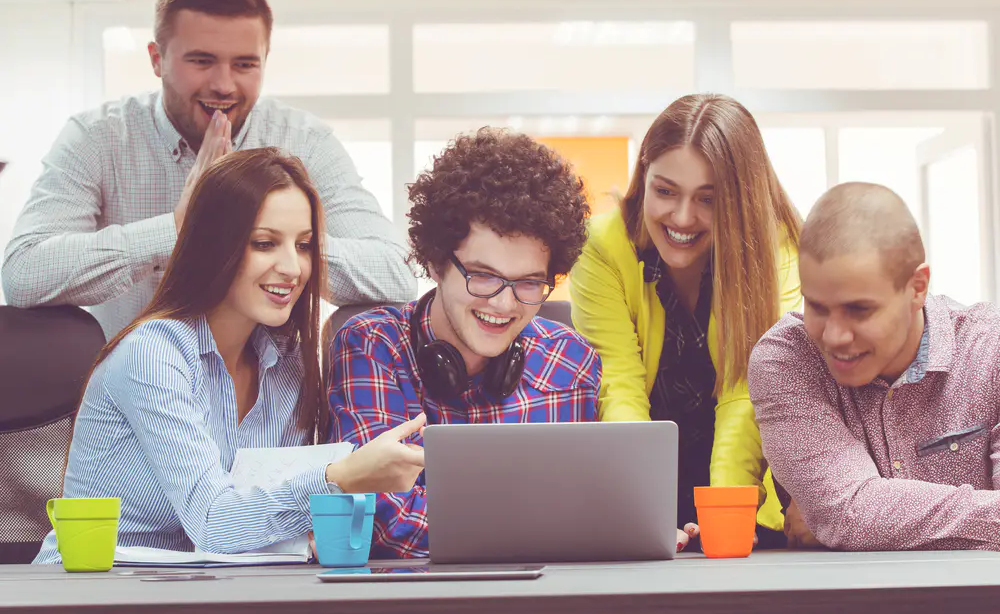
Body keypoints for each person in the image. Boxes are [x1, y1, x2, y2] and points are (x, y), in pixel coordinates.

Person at [34, 148, 424, 563]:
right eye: (264, 243)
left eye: (305, 245)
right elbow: (214, 522)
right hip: (95, 588)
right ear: (214, 247)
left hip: (209, 584)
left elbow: (262, 511)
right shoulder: (152, 355)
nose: (293, 267)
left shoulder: (285, 359)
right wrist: (341, 477)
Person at [2, 0, 414, 339]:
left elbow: (395, 275)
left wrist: (269, 237)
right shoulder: (97, 138)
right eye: (202, 61)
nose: (224, 85)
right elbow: (23, 273)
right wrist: (178, 229)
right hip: (132, 389)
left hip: (266, 396)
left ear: (265, 61)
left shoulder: (305, 141)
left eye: (245, 65)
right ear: (157, 59)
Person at [327, 128, 605, 559]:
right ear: (437, 261)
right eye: (484, 275)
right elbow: (383, 519)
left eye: (529, 282)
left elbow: (588, 506)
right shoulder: (370, 345)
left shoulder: (571, 361)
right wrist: (550, 529)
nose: (504, 303)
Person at [570, 94, 802, 549]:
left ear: (741, 200)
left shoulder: (777, 248)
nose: (681, 217)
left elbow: (748, 391)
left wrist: (725, 517)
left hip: (743, 499)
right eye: (665, 191)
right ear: (645, 175)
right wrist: (643, 510)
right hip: (642, 482)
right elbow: (617, 382)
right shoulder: (601, 245)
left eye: (708, 199)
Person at [749, 181, 1000, 552]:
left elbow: (845, 515)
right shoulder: (784, 360)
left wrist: (857, 515)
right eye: (817, 306)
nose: (834, 336)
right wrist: (842, 514)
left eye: (859, 310)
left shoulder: (990, 350)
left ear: (917, 287)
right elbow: (845, 512)